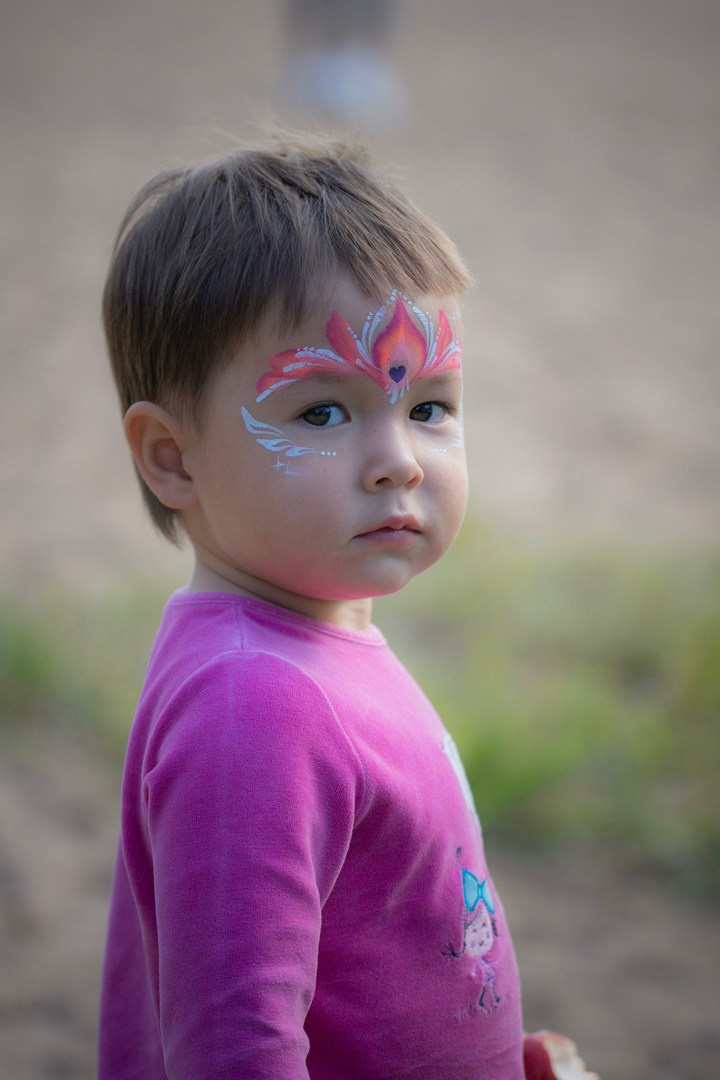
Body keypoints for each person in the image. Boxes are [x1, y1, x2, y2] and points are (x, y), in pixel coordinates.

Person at [98, 135, 525, 1078]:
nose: (400, 459)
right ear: (173, 458)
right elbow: (234, 1048)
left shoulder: (312, 637)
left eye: (429, 406)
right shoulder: (253, 706)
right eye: (323, 412)